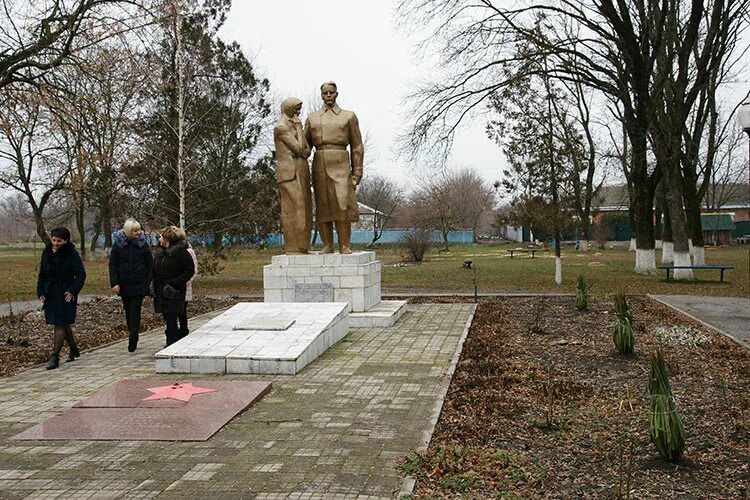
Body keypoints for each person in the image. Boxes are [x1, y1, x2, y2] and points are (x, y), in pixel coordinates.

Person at [304, 81, 364, 254]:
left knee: (342, 204)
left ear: (337, 94)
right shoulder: (313, 118)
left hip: (341, 161)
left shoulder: (348, 116)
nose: (328, 96)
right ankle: (327, 244)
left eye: (331, 92)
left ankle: (344, 244)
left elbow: (357, 146)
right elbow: (305, 147)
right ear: (321, 95)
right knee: (323, 206)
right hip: (320, 161)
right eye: (325, 93)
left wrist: (357, 172)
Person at [36, 227, 86, 370]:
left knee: (60, 324)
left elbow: (81, 275)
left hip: (66, 295)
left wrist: (73, 290)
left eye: (59, 241)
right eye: (54, 240)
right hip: (51, 294)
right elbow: (42, 274)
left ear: (66, 241)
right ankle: (74, 348)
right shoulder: (46, 253)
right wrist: (40, 291)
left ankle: (55, 356)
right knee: (63, 324)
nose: (56, 243)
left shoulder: (72, 254)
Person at [273, 97, 313, 254]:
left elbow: (307, 151)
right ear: (288, 108)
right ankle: (294, 247)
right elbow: (299, 149)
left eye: (300, 108)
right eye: (296, 108)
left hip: (301, 170)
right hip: (289, 173)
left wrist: (299, 134)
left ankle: (303, 246)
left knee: (305, 207)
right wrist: (298, 128)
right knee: (295, 209)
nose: (298, 112)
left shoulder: (294, 126)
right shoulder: (281, 127)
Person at [109, 218, 153, 353]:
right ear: (128, 231)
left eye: (139, 230)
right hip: (124, 283)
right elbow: (113, 264)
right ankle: (132, 331)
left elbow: (150, 264)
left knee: (135, 310)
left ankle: (133, 337)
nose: (138, 233)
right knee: (128, 310)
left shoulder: (143, 244)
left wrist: (148, 283)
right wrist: (114, 282)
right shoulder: (118, 245)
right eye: (135, 230)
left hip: (139, 283)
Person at [149, 226, 195, 346]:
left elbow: (189, 271)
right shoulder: (160, 253)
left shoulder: (181, 253)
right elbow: (153, 269)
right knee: (167, 318)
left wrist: (175, 282)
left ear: (167, 238)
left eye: (161, 236)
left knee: (171, 318)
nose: (159, 239)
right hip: (160, 290)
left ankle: (171, 343)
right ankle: (173, 340)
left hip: (174, 291)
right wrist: (151, 284)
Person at [174, 227, 198, 340]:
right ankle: (176, 332)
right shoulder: (169, 250)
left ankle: (183, 331)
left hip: (184, 286)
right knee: (175, 312)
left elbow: (193, 270)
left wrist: (184, 282)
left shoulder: (189, 251)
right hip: (172, 287)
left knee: (182, 311)